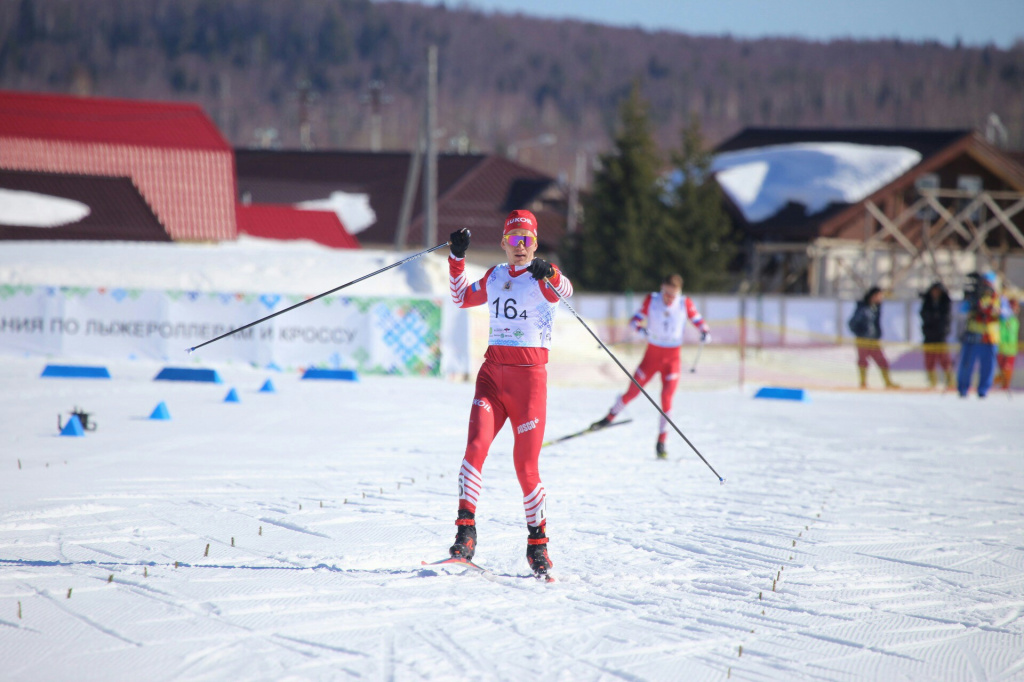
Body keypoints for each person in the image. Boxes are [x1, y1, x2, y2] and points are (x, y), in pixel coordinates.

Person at [445, 209, 573, 580]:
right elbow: (460, 298)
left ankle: (538, 545)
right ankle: (465, 535)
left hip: (528, 384)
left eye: (528, 240)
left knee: (525, 467)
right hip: (491, 377)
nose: (521, 247)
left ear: (535, 245)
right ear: (503, 243)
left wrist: (551, 272)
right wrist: (456, 257)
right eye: (515, 240)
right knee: (475, 449)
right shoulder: (496, 275)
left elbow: (565, 291)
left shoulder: (541, 279)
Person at [590, 273, 709, 459]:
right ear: (662, 288)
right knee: (632, 391)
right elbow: (634, 320)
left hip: (672, 359)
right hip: (652, 356)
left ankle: (662, 441)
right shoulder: (652, 300)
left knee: (667, 398)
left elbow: (699, 321)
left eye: (673, 295)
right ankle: (609, 417)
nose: (670, 299)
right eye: (667, 294)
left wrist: (704, 332)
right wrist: (640, 329)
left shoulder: (684, 303)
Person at [956, 271, 1001, 398]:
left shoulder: (997, 298)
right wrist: (972, 307)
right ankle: (963, 389)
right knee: (967, 364)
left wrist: (995, 311)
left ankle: (983, 390)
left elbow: (1005, 314)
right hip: (972, 337)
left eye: (988, 283)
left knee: (988, 366)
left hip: (990, 338)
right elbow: (962, 311)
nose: (986, 286)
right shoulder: (973, 297)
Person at [848, 286, 899, 389]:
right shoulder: (863, 308)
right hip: (863, 340)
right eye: (879, 296)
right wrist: (860, 333)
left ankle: (888, 382)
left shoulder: (876, 308)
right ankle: (863, 383)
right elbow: (852, 323)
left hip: (874, 340)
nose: (880, 298)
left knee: (882, 360)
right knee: (863, 361)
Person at [919, 281, 953, 389]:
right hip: (929, 336)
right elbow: (924, 316)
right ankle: (933, 382)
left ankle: (950, 381)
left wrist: (943, 330)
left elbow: (946, 319)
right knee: (929, 360)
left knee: (945, 360)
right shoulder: (927, 303)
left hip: (941, 336)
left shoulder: (945, 303)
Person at [995, 296, 1019, 390]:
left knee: (1007, 369)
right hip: (1001, 348)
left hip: (1011, 349)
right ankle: (1000, 385)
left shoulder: (1014, 320)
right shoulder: (1002, 319)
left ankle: (1004, 386)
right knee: (1002, 369)